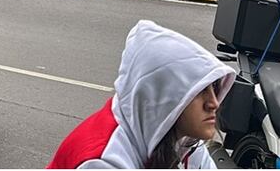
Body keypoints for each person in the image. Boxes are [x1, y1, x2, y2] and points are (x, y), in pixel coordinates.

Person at [48, 20, 236, 169]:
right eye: (199, 92)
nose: (213, 103)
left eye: (214, 88)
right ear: (162, 98)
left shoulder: (181, 138)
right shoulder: (103, 161)